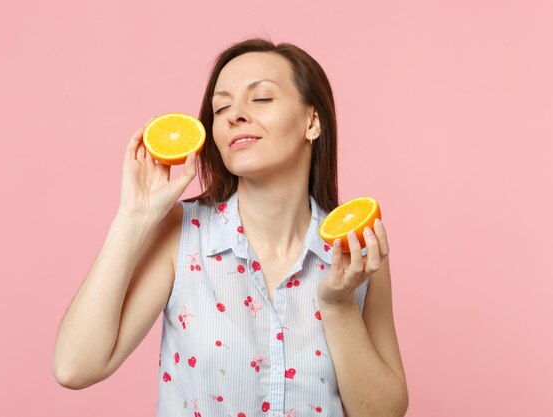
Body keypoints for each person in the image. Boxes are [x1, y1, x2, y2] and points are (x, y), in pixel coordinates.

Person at [52, 37, 409, 417]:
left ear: (313, 121)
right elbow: (74, 368)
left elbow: (383, 412)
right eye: (221, 107)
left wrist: (338, 306)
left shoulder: (355, 249)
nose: (233, 114)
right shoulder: (181, 233)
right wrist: (133, 219)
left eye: (261, 99)